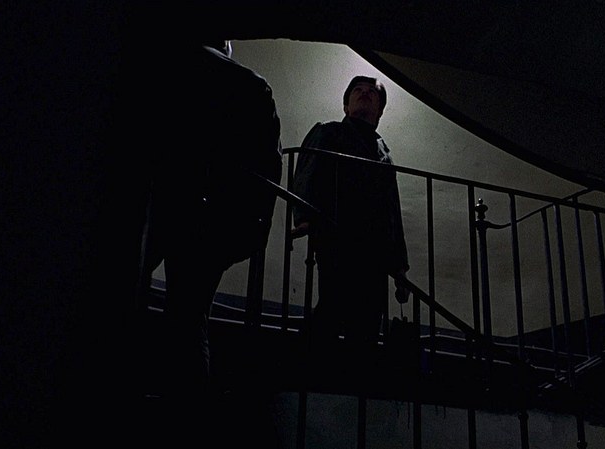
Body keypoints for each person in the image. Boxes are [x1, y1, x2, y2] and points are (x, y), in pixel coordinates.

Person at [140, 38, 282, 404]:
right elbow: (265, 170)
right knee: (188, 318)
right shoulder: (250, 86)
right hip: (209, 218)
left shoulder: (158, 62)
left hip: (155, 197)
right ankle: (185, 412)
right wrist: (249, 234)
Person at [292, 76, 410, 356]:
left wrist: (399, 266)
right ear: (346, 105)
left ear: (380, 111)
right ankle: (312, 364)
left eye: (372, 92)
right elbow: (309, 171)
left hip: (375, 248)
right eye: (358, 90)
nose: (365, 93)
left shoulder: (384, 153)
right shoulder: (328, 132)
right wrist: (305, 216)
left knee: (368, 321)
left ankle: (356, 375)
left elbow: (392, 209)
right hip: (337, 236)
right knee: (333, 305)